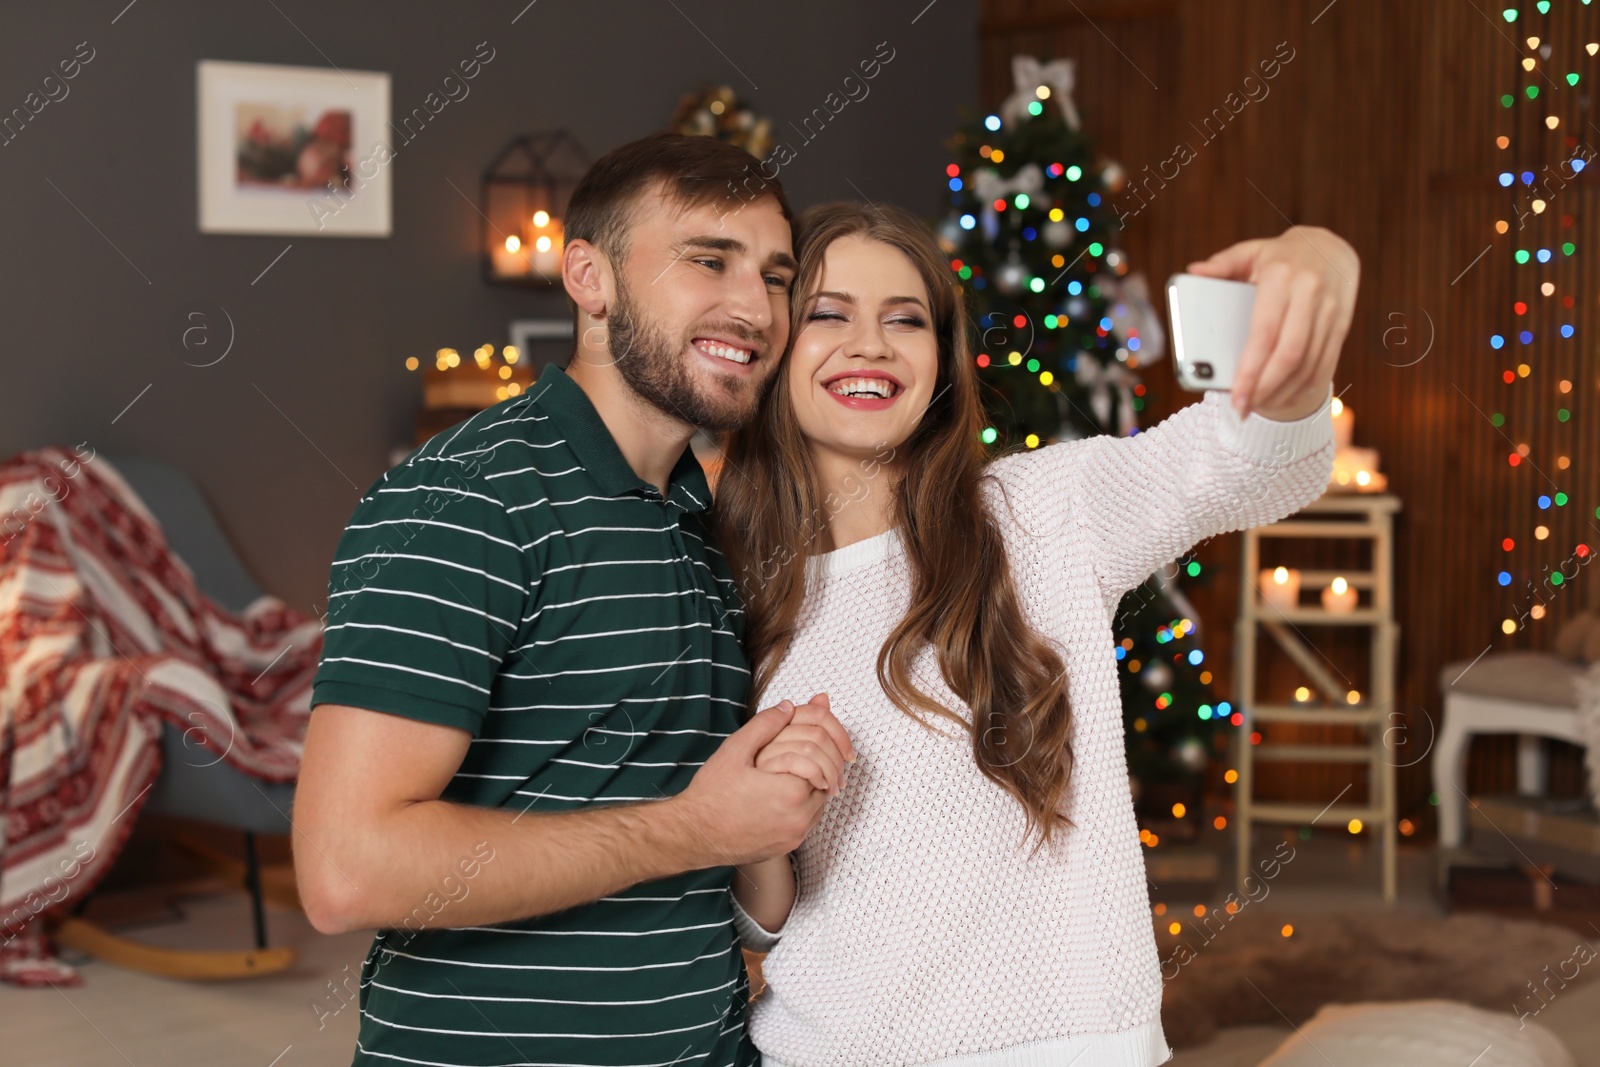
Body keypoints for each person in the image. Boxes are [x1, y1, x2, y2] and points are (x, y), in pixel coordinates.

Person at [714, 201, 1358, 1066]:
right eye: (829, 314)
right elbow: (759, 916)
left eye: (905, 319)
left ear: (939, 363)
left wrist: (1313, 253)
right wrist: (763, 840)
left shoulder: (1042, 511)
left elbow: (1259, 463)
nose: (868, 344)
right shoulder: (731, 589)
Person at [292, 132, 854, 1067]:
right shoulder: (470, 498)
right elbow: (348, 868)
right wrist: (695, 825)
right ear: (588, 278)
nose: (753, 306)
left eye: (776, 275)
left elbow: (702, 868)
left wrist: (753, 820)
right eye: (707, 260)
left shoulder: (700, 525)